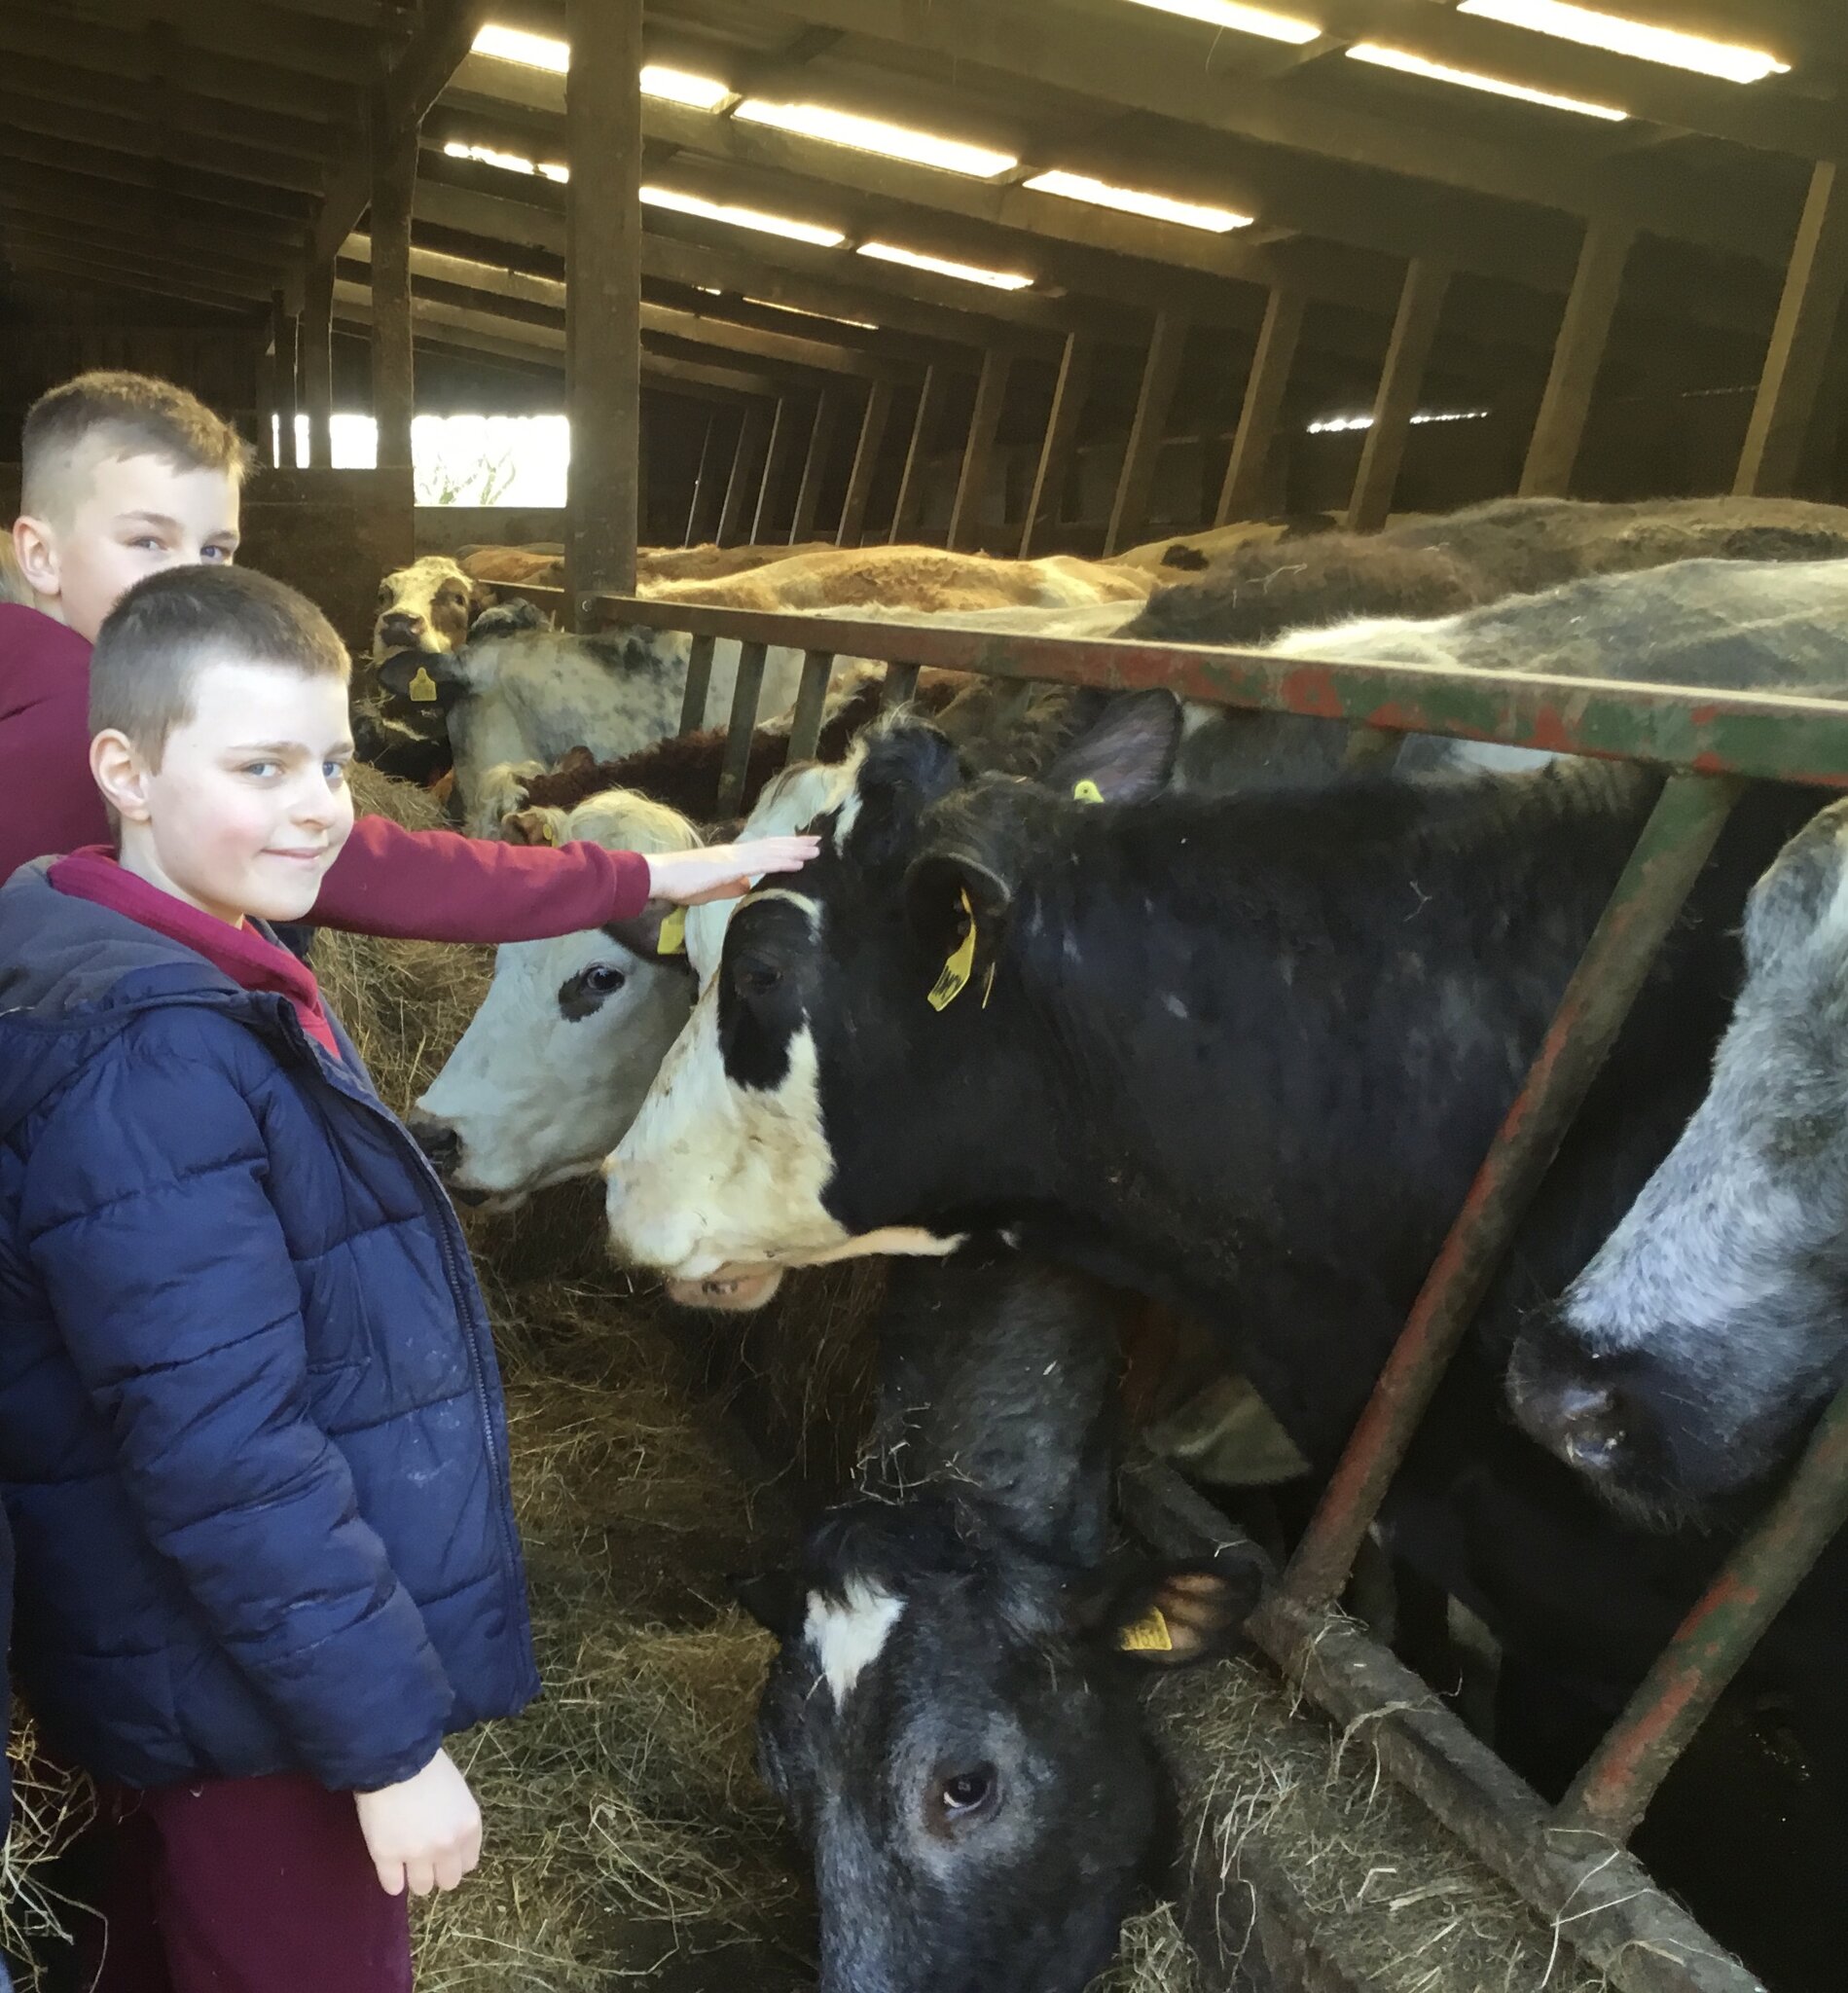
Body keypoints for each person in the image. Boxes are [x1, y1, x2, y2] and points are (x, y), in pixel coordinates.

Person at [0, 564, 644, 1991]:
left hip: (191, 1671)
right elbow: (225, 1454)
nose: (317, 804)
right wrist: (388, 1747)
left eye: (337, 762)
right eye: (262, 764)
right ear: (125, 771)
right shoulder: (153, 1059)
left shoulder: (169, 966)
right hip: (251, 1705)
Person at [2, 368, 816, 923]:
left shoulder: (75, 693)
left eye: (216, 550)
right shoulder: (96, 728)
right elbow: (376, 871)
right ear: (37, 554)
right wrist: (641, 876)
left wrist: (642, 874)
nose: (190, 579)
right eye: (147, 542)